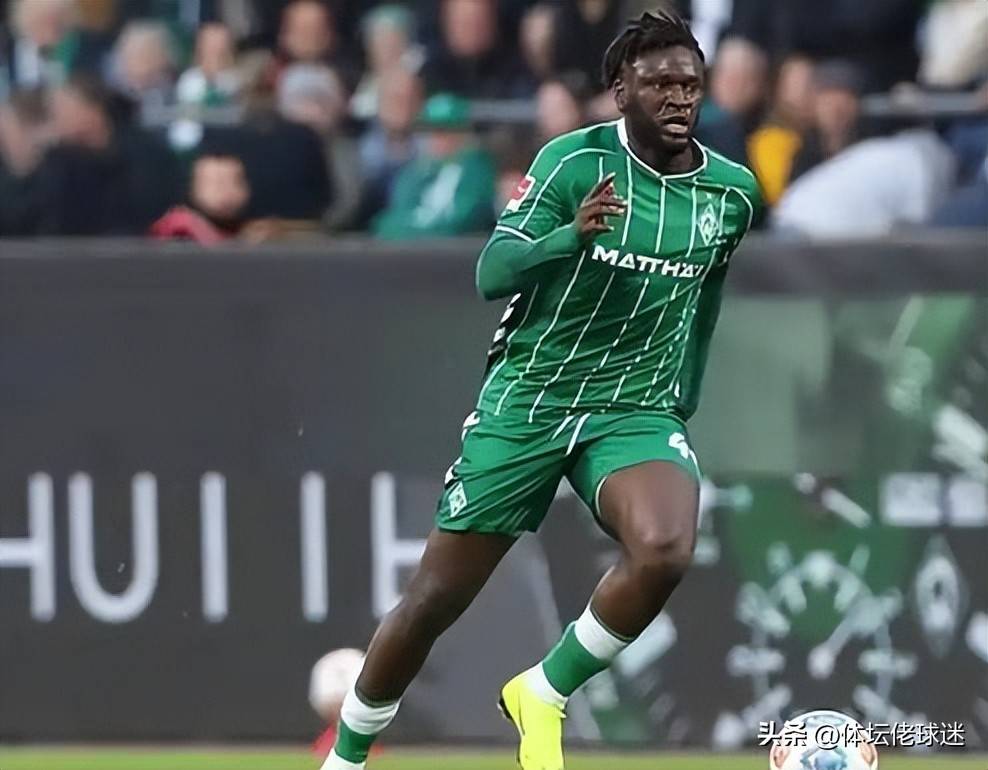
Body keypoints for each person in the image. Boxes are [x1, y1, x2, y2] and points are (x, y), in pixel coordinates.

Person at [322, 10, 761, 770]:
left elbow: (706, 296)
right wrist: (569, 237)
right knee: (434, 599)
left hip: (633, 406)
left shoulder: (732, 192)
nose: (677, 97)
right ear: (620, 91)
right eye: (658, 83)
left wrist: (680, 397)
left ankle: (544, 688)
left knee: (665, 548)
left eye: (690, 84)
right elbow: (492, 273)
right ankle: (347, 757)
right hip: (533, 398)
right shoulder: (572, 162)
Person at [371, 92, 495, 239]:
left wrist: (414, 230)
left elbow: (464, 220)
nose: (437, 138)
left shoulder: (476, 170)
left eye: (446, 130)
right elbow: (395, 216)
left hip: (454, 249)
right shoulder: (415, 171)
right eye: (431, 130)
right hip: (412, 246)